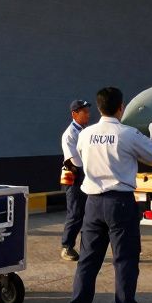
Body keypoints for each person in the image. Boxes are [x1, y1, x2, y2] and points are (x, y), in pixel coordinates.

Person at [68, 87, 152, 303]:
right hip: (120, 203)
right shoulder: (128, 134)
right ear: (121, 107)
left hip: (93, 203)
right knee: (125, 261)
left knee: (88, 261)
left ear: (99, 108)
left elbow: (79, 160)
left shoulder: (85, 134)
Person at [60, 99, 93, 261]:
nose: (88, 115)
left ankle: (86, 246)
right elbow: (75, 161)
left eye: (88, 111)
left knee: (88, 213)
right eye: (84, 112)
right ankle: (67, 247)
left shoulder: (86, 131)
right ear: (74, 114)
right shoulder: (70, 134)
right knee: (75, 212)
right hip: (75, 177)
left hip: (86, 175)